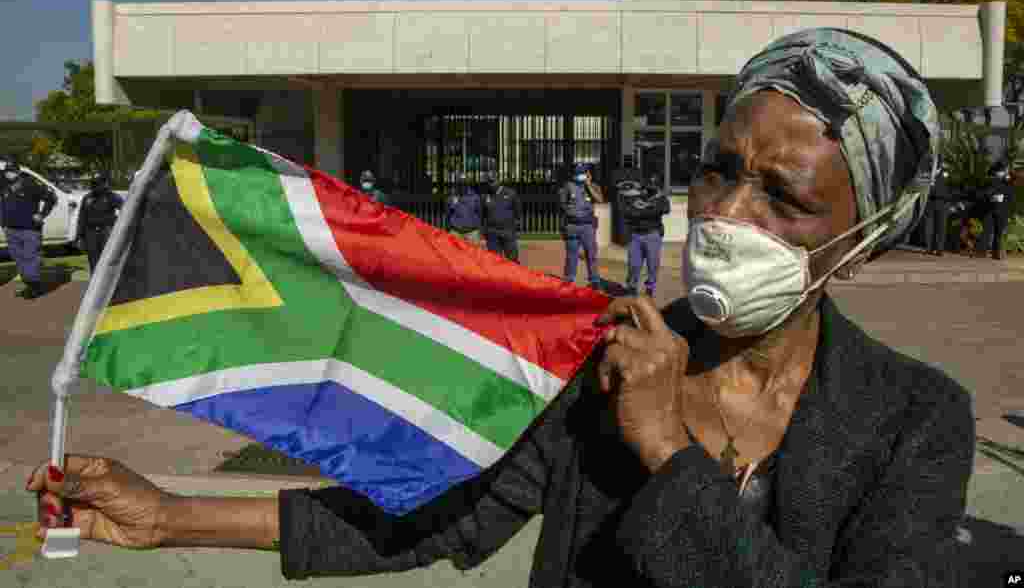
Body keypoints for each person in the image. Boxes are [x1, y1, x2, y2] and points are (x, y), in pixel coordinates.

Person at [28, 29, 974, 587]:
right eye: (720, 171)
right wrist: (165, 518)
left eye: (785, 197)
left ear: (864, 239)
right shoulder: (605, 354)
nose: (727, 213)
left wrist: (666, 452)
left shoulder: (914, 418)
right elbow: (449, 519)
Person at [1, 160, 57, 298]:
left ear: (18, 172)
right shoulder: (4, 186)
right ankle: (30, 285)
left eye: (12, 171)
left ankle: (34, 286)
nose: (9, 173)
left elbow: (51, 198)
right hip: (11, 230)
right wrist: (3, 223)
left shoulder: (30, 184)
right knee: (18, 258)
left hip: (30, 230)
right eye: (7, 171)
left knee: (31, 257)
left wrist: (42, 214)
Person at [621, 171, 671, 296]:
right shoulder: (634, 195)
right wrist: (649, 210)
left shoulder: (661, 197)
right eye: (649, 184)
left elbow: (665, 209)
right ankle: (631, 288)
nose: (651, 187)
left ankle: (650, 288)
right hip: (635, 235)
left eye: (654, 184)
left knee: (652, 265)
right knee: (633, 265)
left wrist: (643, 209)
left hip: (652, 235)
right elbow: (627, 212)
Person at [560, 163, 605, 289]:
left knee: (591, 254)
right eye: (578, 173)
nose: (580, 175)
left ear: (588, 174)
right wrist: (563, 228)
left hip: (588, 227)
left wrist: (589, 185)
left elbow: (600, 200)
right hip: (572, 226)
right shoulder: (568, 186)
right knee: (571, 255)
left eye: (582, 173)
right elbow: (562, 207)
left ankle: (594, 280)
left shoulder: (594, 186)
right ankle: (569, 279)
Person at [79, 173, 124, 274]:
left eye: (98, 184)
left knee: (107, 260)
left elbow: (125, 210)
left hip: (106, 231)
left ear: (105, 184)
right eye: (94, 184)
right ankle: (94, 285)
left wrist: (115, 221)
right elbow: (82, 217)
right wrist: (80, 236)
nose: (95, 186)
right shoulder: (87, 198)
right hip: (90, 232)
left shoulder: (112, 196)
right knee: (93, 261)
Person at [975, 162, 1015, 260]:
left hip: (1002, 210)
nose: (1004, 173)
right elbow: (983, 193)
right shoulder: (991, 181)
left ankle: (995, 253)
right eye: (1002, 171)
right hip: (990, 209)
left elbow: (1010, 197)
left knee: (998, 233)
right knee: (987, 231)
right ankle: (982, 251)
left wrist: (1007, 208)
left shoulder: (1008, 182)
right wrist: (991, 198)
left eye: (1004, 171)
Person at [480, 171, 521, 262]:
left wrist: (516, 228)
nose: (491, 184)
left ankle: (513, 276)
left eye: (493, 181)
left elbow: (517, 212)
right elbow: (483, 215)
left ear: (499, 180)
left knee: (512, 259)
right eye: (489, 182)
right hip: (492, 232)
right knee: (494, 261)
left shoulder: (510, 193)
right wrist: (484, 231)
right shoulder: (485, 196)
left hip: (508, 231)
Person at [922, 157, 956, 256]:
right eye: (932, 162)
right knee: (929, 227)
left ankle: (939, 249)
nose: (934, 164)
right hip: (930, 204)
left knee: (941, 227)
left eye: (936, 163)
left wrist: (951, 203)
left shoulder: (947, 174)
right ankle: (929, 248)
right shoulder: (927, 173)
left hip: (943, 204)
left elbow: (953, 189)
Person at [445, 175, 483, 246]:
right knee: (454, 255)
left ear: (468, 184)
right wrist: (448, 230)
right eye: (460, 184)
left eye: (464, 184)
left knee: (473, 255)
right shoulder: (451, 197)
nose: (462, 186)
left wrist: (480, 231)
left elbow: (480, 214)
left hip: (472, 233)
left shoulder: (475, 197)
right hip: (455, 232)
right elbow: (448, 214)